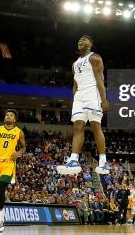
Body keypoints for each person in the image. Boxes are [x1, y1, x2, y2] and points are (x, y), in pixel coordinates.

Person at [56, 36, 109, 175]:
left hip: (93, 92)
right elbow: (75, 84)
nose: (80, 41)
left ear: (91, 44)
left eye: (84, 39)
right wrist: (76, 99)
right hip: (80, 96)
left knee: (95, 126)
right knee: (78, 126)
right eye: (79, 39)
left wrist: (104, 99)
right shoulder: (75, 63)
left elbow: (100, 80)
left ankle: (103, 161)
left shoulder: (95, 58)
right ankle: (74, 160)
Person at [0, 109, 26, 233]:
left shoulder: (19, 132)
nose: (8, 116)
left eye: (11, 115)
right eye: (7, 115)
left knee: (2, 187)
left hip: (9, 163)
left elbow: (24, 147)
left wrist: (18, 153)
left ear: (14, 119)